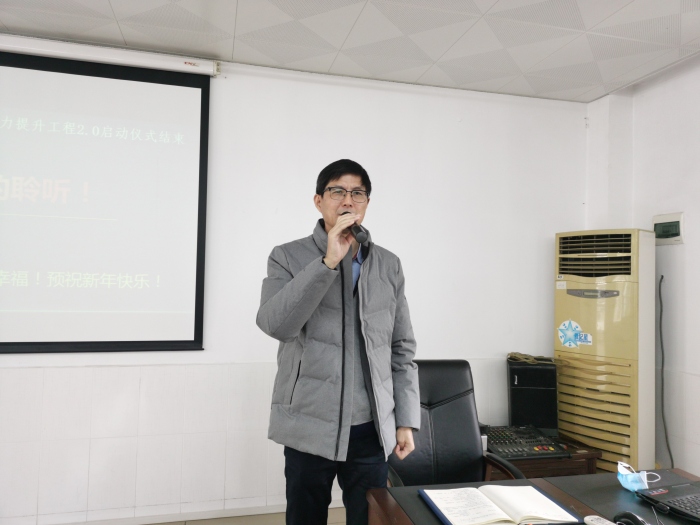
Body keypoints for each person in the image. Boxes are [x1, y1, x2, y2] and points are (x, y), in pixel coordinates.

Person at [256, 159, 420, 525]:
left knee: (371, 518)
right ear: (319, 201)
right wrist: (328, 261)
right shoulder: (287, 256)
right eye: (337, 191)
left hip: (371, 429)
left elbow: (401, 348)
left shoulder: (388, 264)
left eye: (357, 193)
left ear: (367, 203)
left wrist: (405, 420)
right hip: (309, 424)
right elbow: (275, 324)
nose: (348, 200)